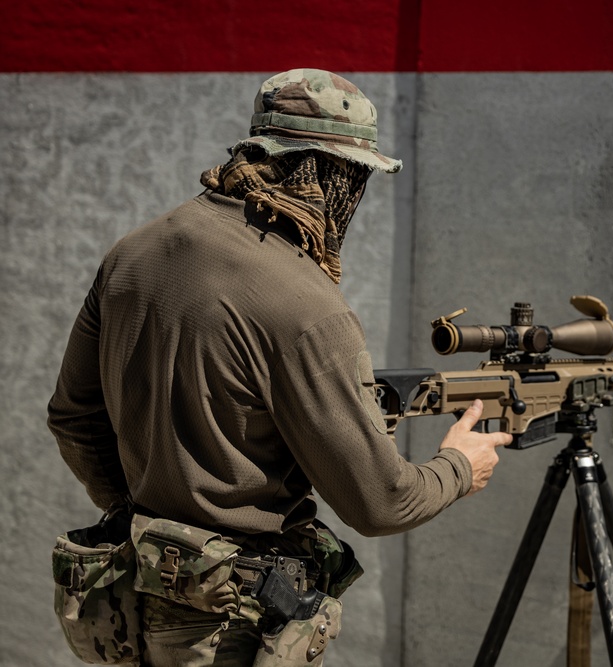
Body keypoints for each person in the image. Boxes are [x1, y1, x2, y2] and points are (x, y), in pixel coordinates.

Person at [47, 68, 511, 666]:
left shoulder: (132, 253)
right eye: (356, 176)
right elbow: (381, 503)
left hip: (131, 604)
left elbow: (73, 420)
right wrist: (457, 466)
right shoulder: (309, 305)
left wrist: (146, 523)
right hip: (231, 629)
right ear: (327, 172)